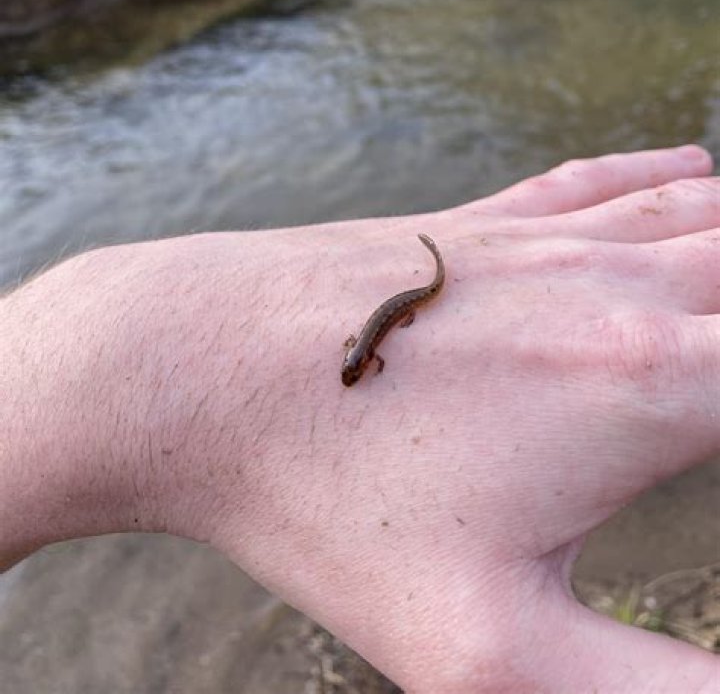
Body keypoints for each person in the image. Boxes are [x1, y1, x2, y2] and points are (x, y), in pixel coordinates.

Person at [1, 144, 717, 693]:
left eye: (353, 373)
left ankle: (433, 269)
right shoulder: (362, 354)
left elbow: (378, 338)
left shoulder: (373, 344)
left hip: (400, 305)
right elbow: (366, 348)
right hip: (393, 310)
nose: (354, 376)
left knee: (421, 296)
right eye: (352, 373)